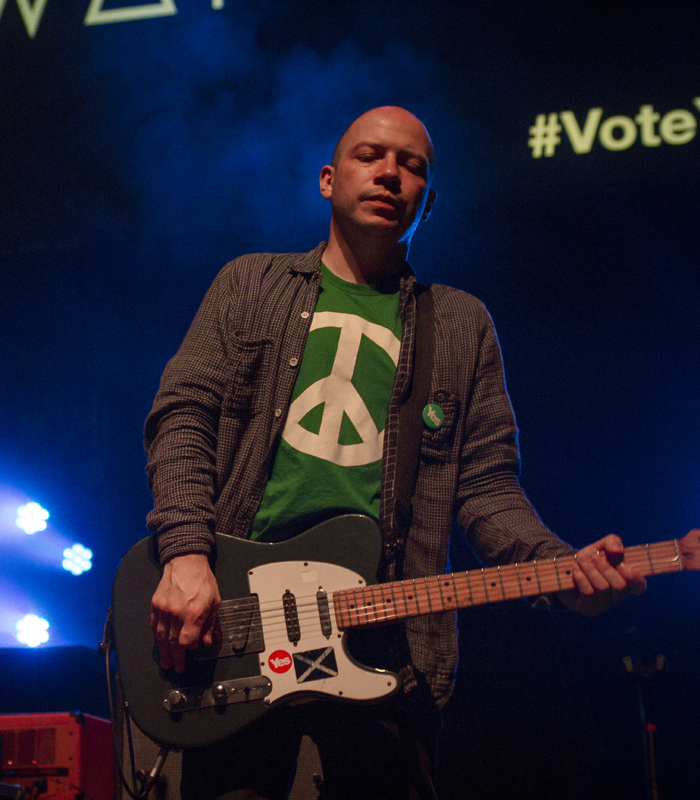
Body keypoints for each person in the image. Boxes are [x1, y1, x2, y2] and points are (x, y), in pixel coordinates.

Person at [143, 107, 646, 800]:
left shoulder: (461, 325)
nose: (389, 174)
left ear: (427, 202)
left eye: (412, 167)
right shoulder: (251, 284)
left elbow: (488, 490)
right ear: (328, 179)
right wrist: (185, 551)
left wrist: (561, 571)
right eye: (370, 156)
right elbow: (182, 416)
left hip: (387, 651)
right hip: (240, 629)